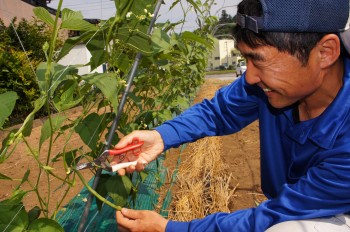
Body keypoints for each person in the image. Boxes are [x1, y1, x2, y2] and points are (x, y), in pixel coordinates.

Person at [113, 0, 350, 231]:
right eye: (246, 59)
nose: (249, 77)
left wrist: (169, 228)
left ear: (325, 52)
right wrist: (161, 137)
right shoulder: (272, 86)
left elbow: (276, 214)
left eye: (258, 60)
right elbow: (218, 111)